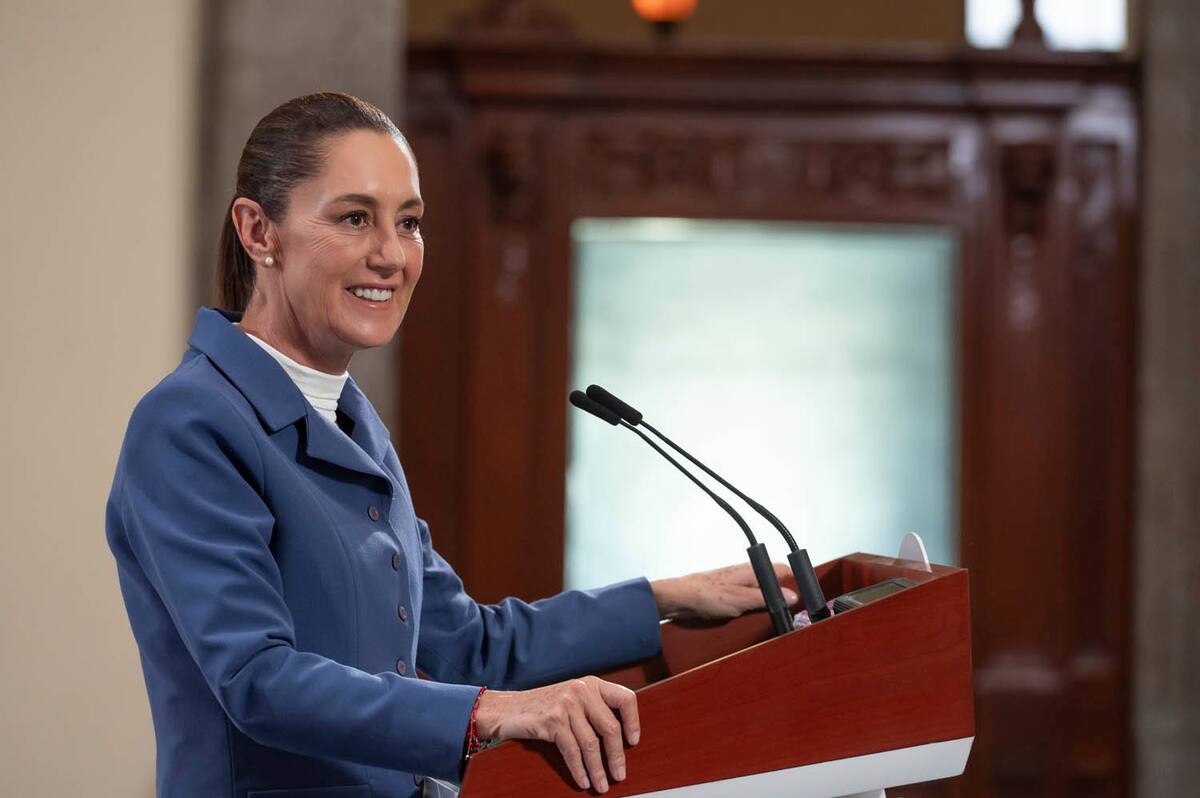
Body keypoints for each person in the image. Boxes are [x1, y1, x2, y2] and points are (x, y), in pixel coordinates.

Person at [106, 92, 798, 798]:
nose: (390, 255)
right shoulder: (190, 423)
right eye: (354, 218)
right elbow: (258, 681)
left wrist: (667, 597)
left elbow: (468, 644)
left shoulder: (352, 421)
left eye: (409, 223)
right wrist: (493, 713)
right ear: (259, 232)